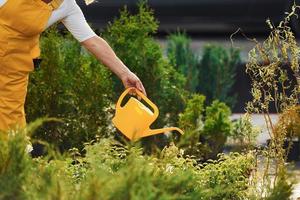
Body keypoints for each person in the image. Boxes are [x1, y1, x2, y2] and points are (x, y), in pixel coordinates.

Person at [0, 0, 146, 132]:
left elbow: (92, 41)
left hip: (14, 65)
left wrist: (125, 73)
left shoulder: (66, 6)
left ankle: (13, 159)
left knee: (11, 124)